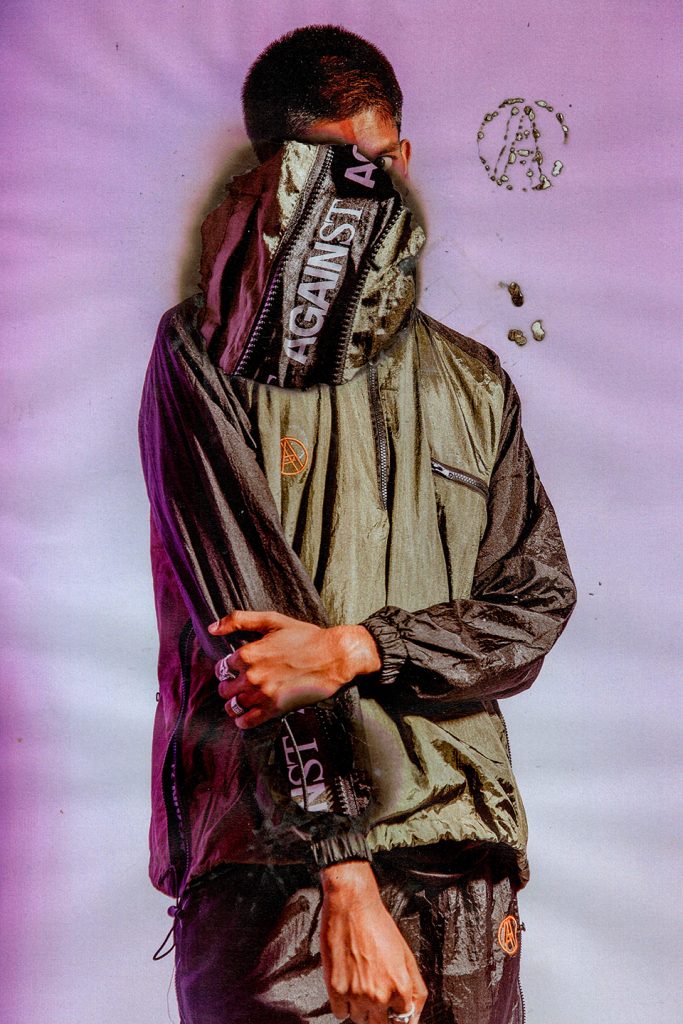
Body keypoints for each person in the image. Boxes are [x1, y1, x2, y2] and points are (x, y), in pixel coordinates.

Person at [139, 24, 576, 1024]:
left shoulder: (472, 381)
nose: (347, 202)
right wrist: (344, 876)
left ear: (402, 157)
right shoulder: (204, 354)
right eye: (320, 174)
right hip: (281, 885)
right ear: (272, 176)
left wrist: (358, 648)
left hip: (463, 871)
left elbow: (532, 608)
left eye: (368, 167)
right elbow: (253, 643)